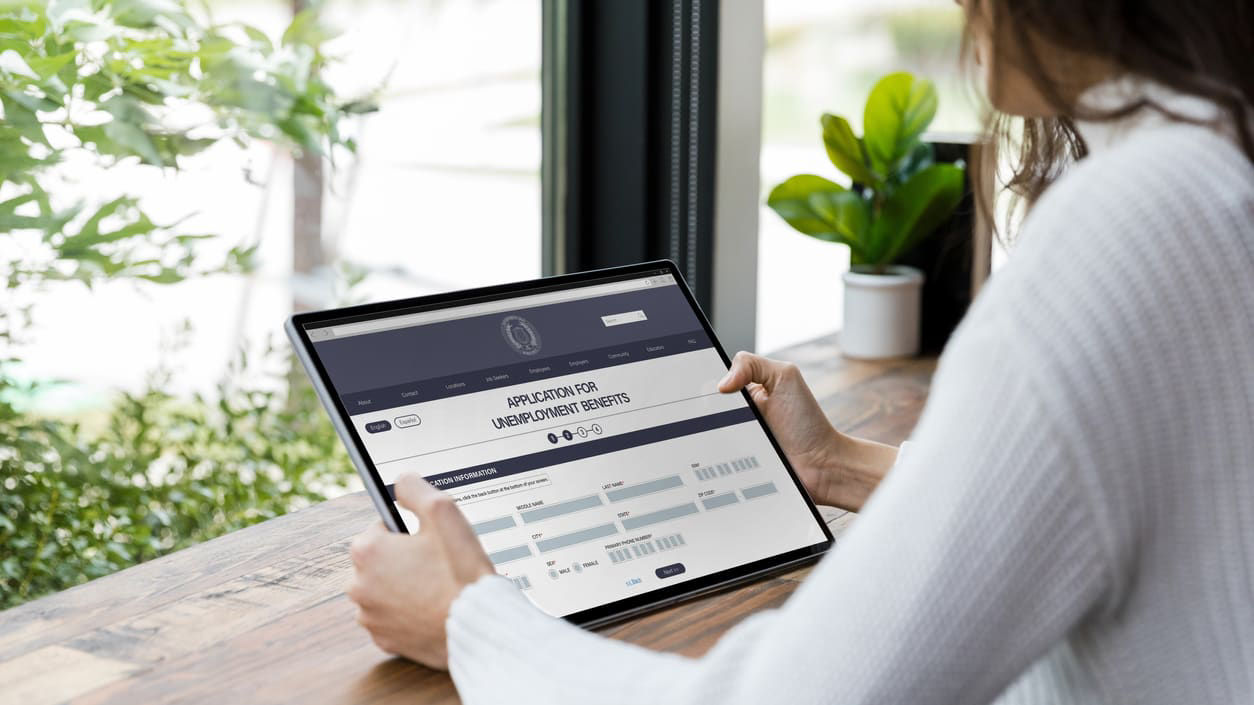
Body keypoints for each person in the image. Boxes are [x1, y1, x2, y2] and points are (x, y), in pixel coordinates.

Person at [345, 0, 1254, 702]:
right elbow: (1135, 496)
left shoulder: (1146, 216)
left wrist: (468, 619)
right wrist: (841, 464)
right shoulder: (1217, 176)